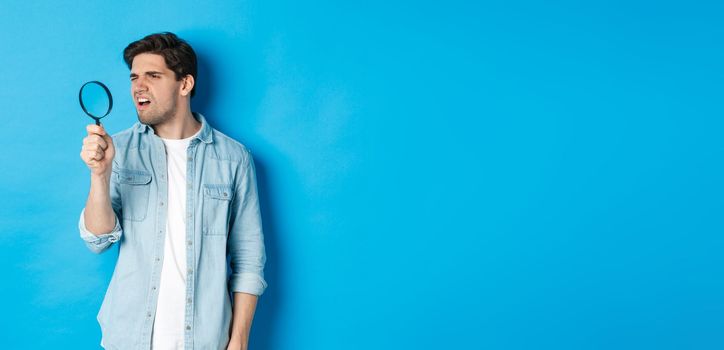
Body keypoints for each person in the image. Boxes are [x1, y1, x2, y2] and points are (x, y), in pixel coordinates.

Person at [78, 32, 267, 350]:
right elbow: (97, 240)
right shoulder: (119, 149)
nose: (139, 86)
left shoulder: (234, 158)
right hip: (129, 339)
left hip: (206, 340)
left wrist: (239, 341)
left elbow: (249, 258)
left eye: (153, 75)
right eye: (134, 77)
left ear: (185, 84)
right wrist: (100, 174)